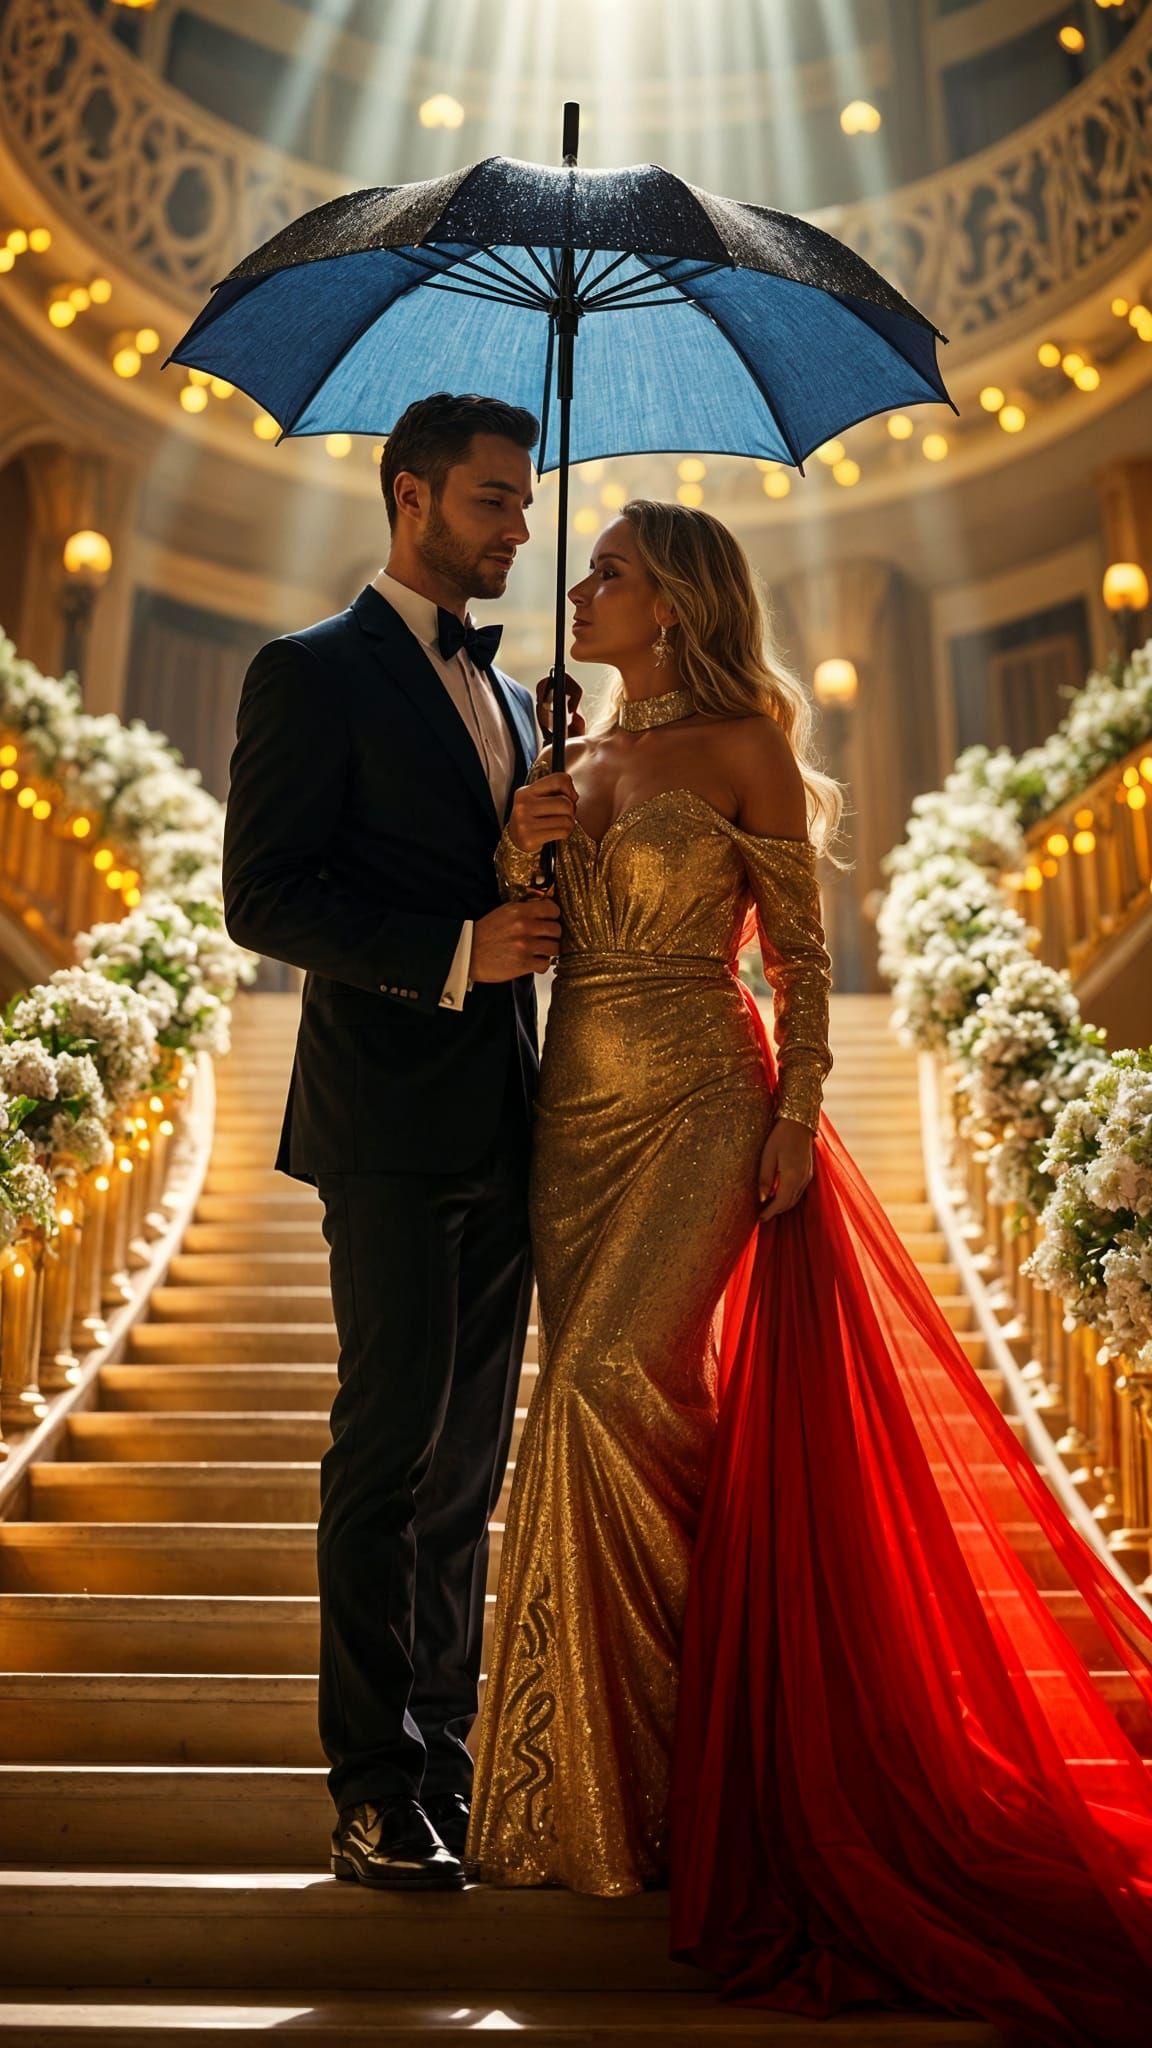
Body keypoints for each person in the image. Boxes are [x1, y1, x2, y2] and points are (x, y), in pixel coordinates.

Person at [467, 500, 1152, 2043]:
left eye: (609, 574)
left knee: (595, 1391)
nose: (581, 588)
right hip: (571, 1110)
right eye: (590, 571)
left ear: (675, 601)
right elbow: (541, 945)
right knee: (602, 1421)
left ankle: (744, 1752)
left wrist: (797, 1113)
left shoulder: (742, 748)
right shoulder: (565, 765)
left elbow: (804, 955)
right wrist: (522, 851)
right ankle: (608, 1796)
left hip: (710, 1096)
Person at [223, 392, 570, 1892]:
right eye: (495, 500)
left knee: (469, 1467)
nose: (519, 528)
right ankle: (369, 1787)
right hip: (382, 1120)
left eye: (525, 503)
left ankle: (442, 1761)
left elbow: (510, 889)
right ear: (411, 494)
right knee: (388, 1450)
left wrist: (547, 817)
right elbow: (265, 898)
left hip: (507, 1112)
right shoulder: (308, 673)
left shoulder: (514, 697)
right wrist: (455, 948)